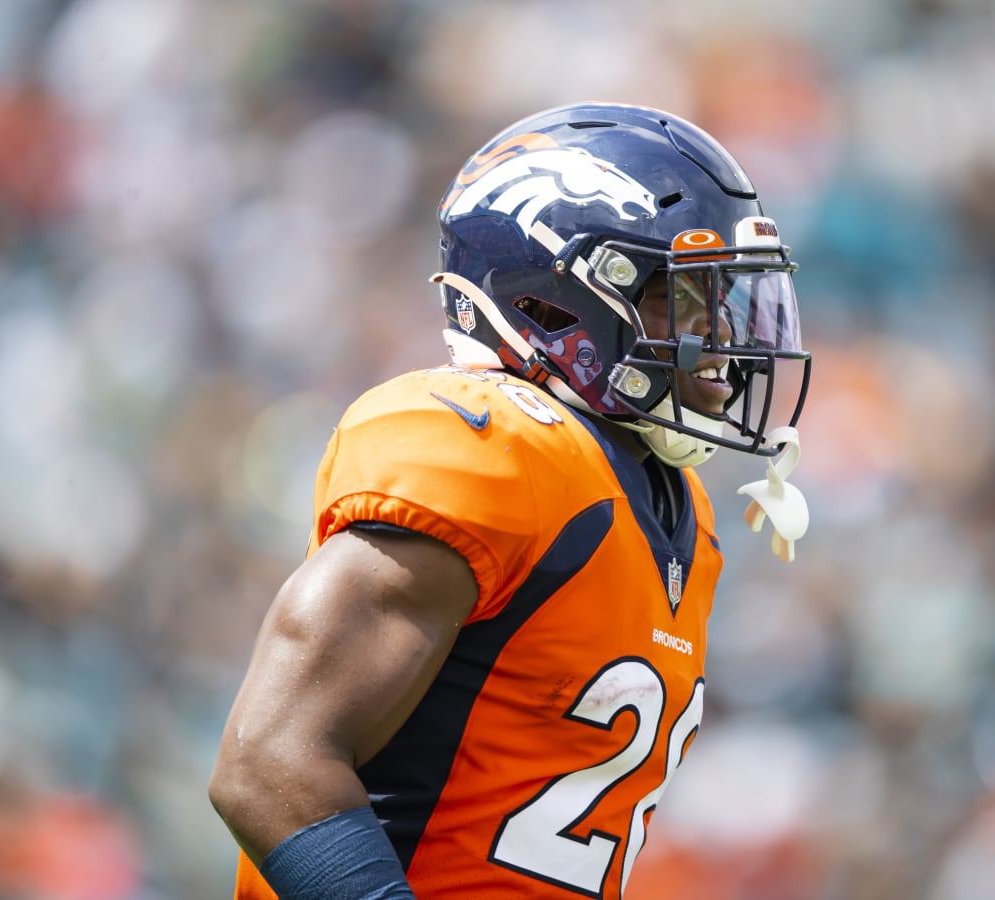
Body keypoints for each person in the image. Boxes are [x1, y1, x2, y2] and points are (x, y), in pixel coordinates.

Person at [208, 101, 812, 900]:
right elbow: (268, 761)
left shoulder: (682, 514)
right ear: (551, 300)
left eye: (723, 300)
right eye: (683, 299)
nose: (720, 338)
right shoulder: (492, 446)